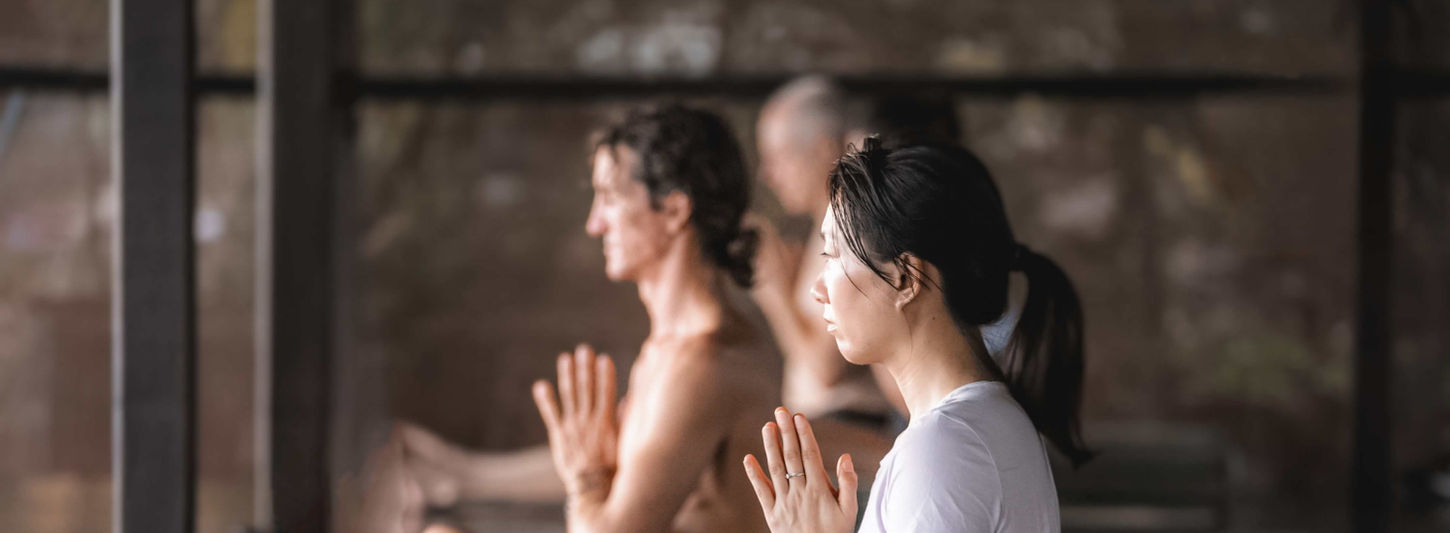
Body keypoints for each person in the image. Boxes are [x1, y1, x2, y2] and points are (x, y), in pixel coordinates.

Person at [387, 105, 886, 533]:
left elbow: (603, 501)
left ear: (673, 211)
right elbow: (629, 469)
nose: (594, 223)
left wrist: (585, 482)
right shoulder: (672, 350)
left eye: (609, 197)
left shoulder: (705, 364)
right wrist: (466, 474)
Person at [741, 138, 1093, 532]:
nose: (816, 289)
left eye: (834, 255)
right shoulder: (980, 425)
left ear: (906, 278)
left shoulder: (942, 450)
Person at [753, 76, 893, 425]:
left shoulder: (855, 227)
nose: (768, 175)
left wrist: (775, 292)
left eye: (777, 158)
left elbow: (826, 370)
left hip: (853, 422)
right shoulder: (823, 229)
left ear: (821, 150)